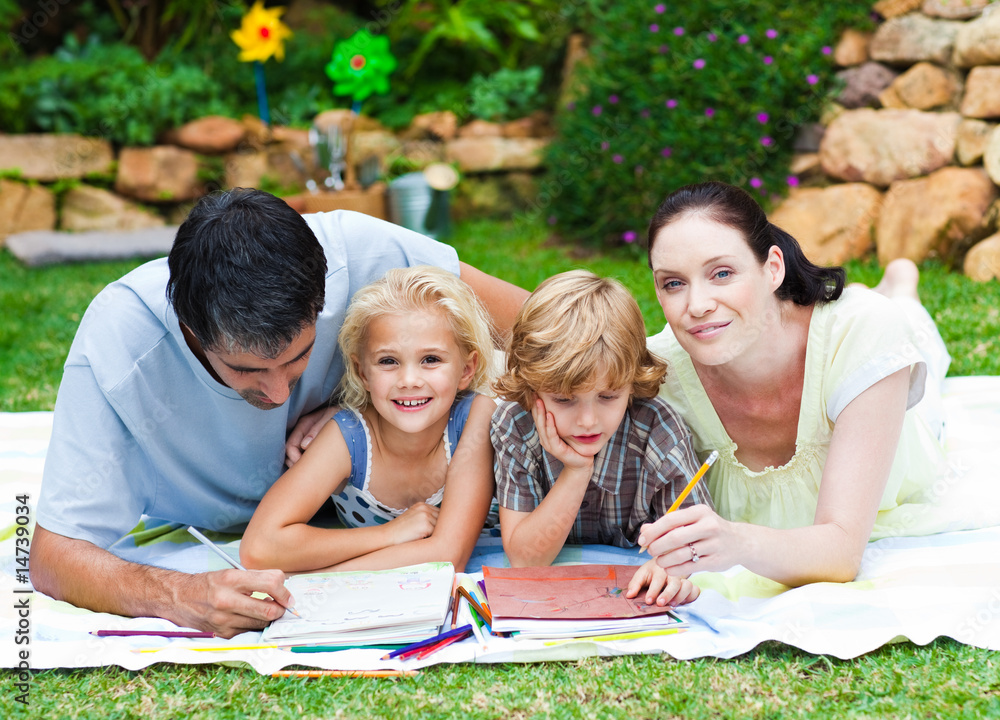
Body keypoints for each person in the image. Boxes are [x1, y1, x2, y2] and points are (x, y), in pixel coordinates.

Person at [30, 188, 528, 638]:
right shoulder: (119, 346)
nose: (275, 395)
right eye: (245, 370)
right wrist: (178, 594)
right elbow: (53, 556)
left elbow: (550, 331)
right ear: (190, 329)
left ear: (325, 298)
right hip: (265, 531)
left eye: (298, 358)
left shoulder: (361, 254)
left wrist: (354, 402)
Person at [640, 180, 952, 587]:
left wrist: (738, 542)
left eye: (721, 273)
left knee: (909, 330)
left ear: (772, 268)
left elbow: (841, 554)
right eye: (674, 283)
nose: (697, 306)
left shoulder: (864, 336)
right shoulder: (657, 370)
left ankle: (901, 285)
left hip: (904, 423)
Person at [241, 266, 496, 573]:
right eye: (388, 361)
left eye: (431, 359)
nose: (409, 380)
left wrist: (320, 580)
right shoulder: (349, 436)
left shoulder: (476, 418)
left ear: (467, 370)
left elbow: (447, 553)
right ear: (363, 372)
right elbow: (260, 547)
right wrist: (389, 534)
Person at [491, 270, 709, 608]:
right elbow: (525, 561)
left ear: (632, 383)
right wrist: (576, 471)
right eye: (564, 399)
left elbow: (699, 542)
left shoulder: (656, 430)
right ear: (532, 388)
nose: (588, 420)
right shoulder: (516, 425)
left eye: (608, 397)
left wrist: (673, 567)